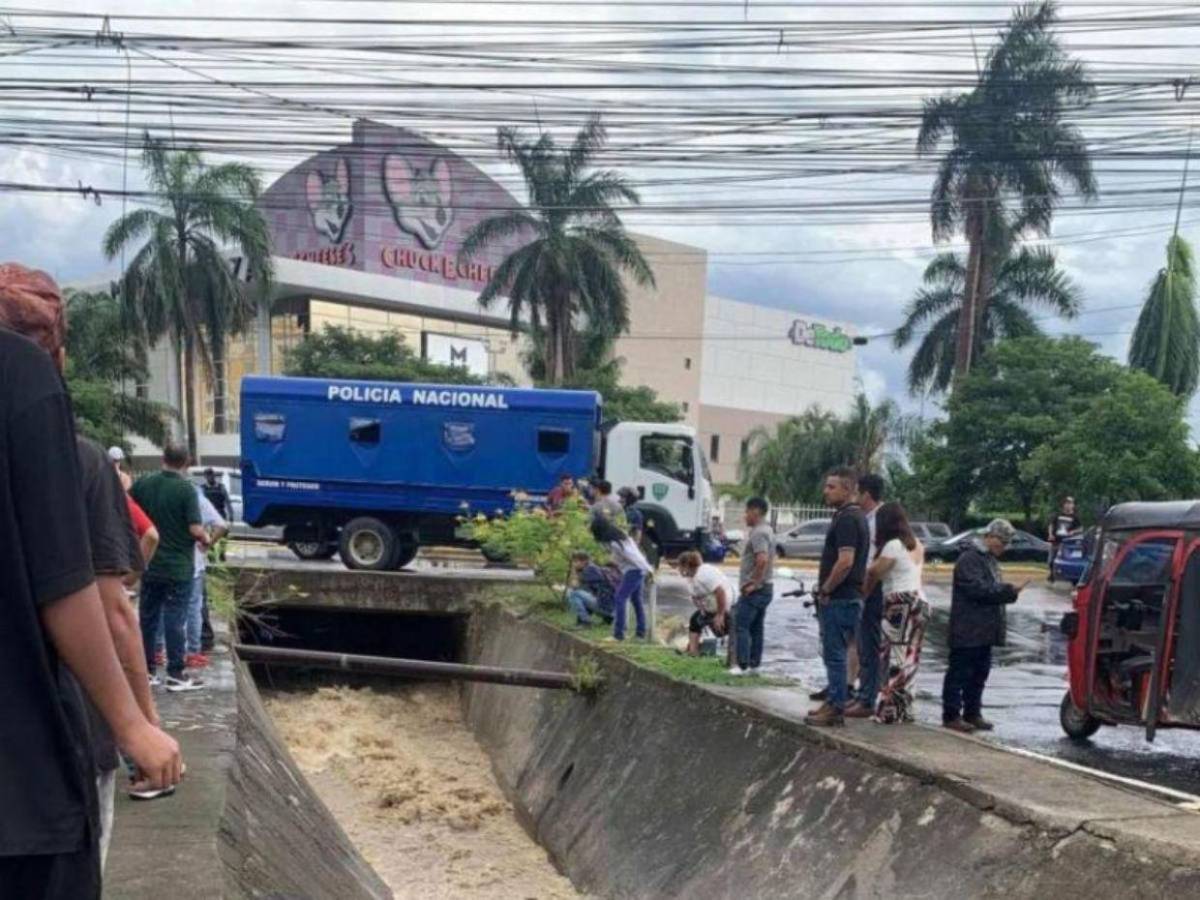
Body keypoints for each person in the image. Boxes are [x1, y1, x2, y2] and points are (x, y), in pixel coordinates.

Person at [0, 270, 181, 898]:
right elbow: (93, 599)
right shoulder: (30, 392)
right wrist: (137, 724)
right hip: (29, 775)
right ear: (57, 354)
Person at [131, 443, 212, 692]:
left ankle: (147, 671)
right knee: (175, 619)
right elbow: (195, 529)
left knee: (148, 619)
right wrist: (206, 538)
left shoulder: (143, 484)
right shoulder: (186, 490)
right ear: (186, 462)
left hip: (149, 564)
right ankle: (176, 674)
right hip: (178, 567)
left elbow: (126, 511)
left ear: (163, 458)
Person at [942, 518, 1028, 733]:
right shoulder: (970, 559)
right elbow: (977, 589)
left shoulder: (988, 559)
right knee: (959, 673)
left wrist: (1007, 592)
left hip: (983, 630)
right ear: (989, 537)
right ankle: (952, 715)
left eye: (1006, 543)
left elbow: (989, 588)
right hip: (968, 628)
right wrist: (1007, 591)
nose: (1004, 547)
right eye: (1002, 541)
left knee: (979, 675)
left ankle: (972, 712)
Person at [806, 467, 870, 727]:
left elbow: (845, 561)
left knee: (835, 655)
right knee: (836, 653)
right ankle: (833, 701)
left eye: (831, 487)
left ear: (847, 489)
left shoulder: (847, 519)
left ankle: (835, 707)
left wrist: (826, 589)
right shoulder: (853, 516)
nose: (826, 491)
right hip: (847, 596)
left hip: (841, 598)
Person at [862, 502, 931, 724]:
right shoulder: (917, 544)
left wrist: (863, 589)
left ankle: (888, 711)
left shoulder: (893, 545)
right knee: (911, 657)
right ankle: (905, 709)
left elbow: (874, 572)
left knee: (892, 655)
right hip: (920, 602)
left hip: (899, 602)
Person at [846, 473, 885, 718]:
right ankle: (864, 695)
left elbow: (873, 562)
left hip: (873, 589)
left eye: (857, 493)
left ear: (866, 495)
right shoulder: (869, 519)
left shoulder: (877, 521)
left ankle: (868, 698)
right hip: (868, 587)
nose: (854, 498)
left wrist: (864, 590)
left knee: (869, 646)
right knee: (863, 645)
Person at [591, 517, 652, 641]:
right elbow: (633, 554)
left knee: (620, 598)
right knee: (636, 601)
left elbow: (634, 556)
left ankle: (618, 634)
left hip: (634, 570)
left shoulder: (616, 543)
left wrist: (649, 570)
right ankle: (640, 633)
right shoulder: (621, 537)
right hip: (638, 570)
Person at [734, 497, 775, 675]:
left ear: (756, 511)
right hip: (765, 588)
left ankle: (742, 665)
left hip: (756, 590)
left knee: (741, 625)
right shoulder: (767, 530)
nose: (745, 516)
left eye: (747, 511)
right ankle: (754, 665)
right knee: (756, 627)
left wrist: (754, 584)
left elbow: (762, 559)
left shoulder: (759, 533)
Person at [677, 550, 732, 656]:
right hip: (710, 607)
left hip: (725, 606)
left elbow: (720, 592)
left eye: (680, 566)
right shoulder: (692, 577)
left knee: (728, 628)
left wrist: (720, 615)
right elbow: (696, 596)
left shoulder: (703, 575)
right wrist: (702, 609)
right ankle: (693, 652)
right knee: (695, 621)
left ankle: (735, 657)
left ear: (686, 566)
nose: (678, 569)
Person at [566, 550, 617, 627]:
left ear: (584, 561)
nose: (574, 564)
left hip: (606, 607)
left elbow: (574, 586)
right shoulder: (591, 568)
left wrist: (574, 571)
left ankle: (585, 622)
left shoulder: (589, 570)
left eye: (576, 561)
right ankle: (585, 620)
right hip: (608, 607)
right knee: (578, 594)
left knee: (573, 594)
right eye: (573, 562)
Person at [1047, 496, 1081, 583]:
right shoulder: (1058, 515)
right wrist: (1050, 534)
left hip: (1066, 542)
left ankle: (1062, 575)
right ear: (1063, 505)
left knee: (1062, 559)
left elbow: (1080, 528)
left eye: (1070, 503)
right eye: (1066, 503)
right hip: (1056, 541)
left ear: (1073, 505)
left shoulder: (1075, 517)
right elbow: (1051, 525)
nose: (1068, 505)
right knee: (1051, 560)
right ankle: (1052, 575)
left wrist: (1073, 532)